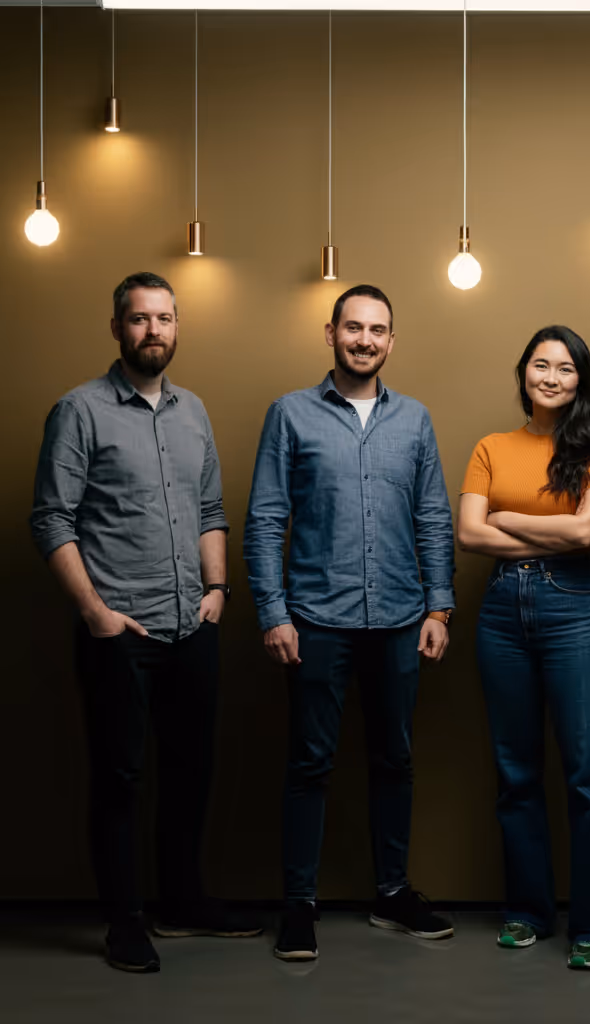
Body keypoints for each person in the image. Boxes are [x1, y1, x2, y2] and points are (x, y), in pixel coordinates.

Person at [29, 272, 261, 974]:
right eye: (139, 319)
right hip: (119, 634)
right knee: (121, 779)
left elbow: (211, 509)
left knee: (190, 772)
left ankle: (182, 902)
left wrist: (217, 590)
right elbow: (52, 518)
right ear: (117, 328)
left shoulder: (194, 411)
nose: (153, 330)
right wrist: (95, 613)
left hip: (193, 626)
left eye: (164, 318)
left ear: (177, 326)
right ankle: (124, 922)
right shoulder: (79, 410)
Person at [244, 284, 456, 962]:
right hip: (316, 619)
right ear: (331, 333)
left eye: (377, 330)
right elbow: (265, 517)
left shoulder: (415, 419)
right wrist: (273, 612)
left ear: (392, 341)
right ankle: (298, 905)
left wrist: (439, 606)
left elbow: (433, 516)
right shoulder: (290, 414)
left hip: (399, 617)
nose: (365, 340)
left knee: (396, 759)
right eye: (354, 328)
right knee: (310, 762)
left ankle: (391, 893)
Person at [458, 325, 590, 971]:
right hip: (503, 611)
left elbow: (585, 535)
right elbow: (469, 535)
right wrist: (547, 529)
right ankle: (527, 912)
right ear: (523, 373)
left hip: (574, 608)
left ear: (581, 381)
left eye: (565, 368)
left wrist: (506, 518)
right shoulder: (491, 447)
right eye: (541, 365)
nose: (552, 377)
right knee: (516, 773)